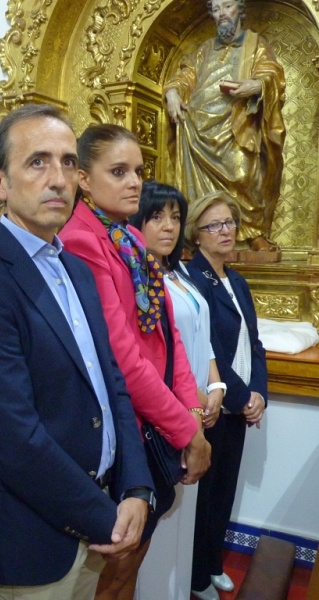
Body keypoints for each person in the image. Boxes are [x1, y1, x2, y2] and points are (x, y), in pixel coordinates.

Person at [0, 103, 155, 600]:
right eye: (37, 162)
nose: (57, 178)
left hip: (102, 506)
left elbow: (113, 386)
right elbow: (16, 438)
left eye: (65, 162)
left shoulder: (76, 269)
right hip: (39, 532)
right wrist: (107, 520)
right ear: (0, 181)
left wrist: (136, 489)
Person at [59, 124, 211, 600]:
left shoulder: (129, 236)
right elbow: (121, 354)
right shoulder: (83, 239)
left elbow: (168, 338)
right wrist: (185, 430)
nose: (134, 182)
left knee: (133, 563)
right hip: (124, 423)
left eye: (138, 171)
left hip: (158, 415)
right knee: (113, 568)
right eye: (118, 171)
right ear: (84, 178)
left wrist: (190, 413)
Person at [128, 180, 224, 598]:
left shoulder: (176, 272)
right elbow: (146, 361)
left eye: (175, 217)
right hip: (168, 415)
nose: (168, 226)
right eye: (156, 216)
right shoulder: (138, 280)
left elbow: (198, 339)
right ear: (137, 220)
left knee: (183, 527)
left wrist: (214, 386)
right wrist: (193, 406)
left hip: (194, 407)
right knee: (156, 538)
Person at [184, 191, 267, 600]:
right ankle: (196, 573)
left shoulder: (237, 280)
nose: (226, 231)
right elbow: (209, 349)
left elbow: (255, 345)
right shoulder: (191, 279)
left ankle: (213, 563)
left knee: (225, 492)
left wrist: (261, 394)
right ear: (196, 235)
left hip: (240, 405)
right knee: (205, 494)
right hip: (214, 405)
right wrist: (241, 397)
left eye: (230, 223)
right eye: (214, 225)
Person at [164, 0, 286, 251]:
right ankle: (197, 234)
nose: (221, 14)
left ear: (239, 9)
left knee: (243, 175)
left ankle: (252, 230)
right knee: (198, 190)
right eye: (216, 9)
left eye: (227, 6)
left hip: (236, 124)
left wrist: (258, 85)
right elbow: (184, 76)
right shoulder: (205, 49)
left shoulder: (255, 44)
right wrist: (173, 92)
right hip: (198, 128)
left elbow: (271, 73)